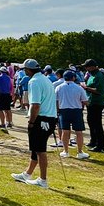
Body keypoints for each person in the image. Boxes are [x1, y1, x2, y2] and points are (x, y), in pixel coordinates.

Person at [12, 59, 56, 188]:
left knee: (40, 150)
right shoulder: (45, 79)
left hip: (42, 118)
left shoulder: (34, 81)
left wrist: (31, 122)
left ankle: (43, 180)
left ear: (28, 70)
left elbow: (35, 105)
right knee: (36, 148)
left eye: (25, 69)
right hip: (49, 118)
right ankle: (28, 173)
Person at [55, 70, 91, 159]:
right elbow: (85, 101)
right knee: (79, 132)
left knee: (65, 131)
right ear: (73, 78)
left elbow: (56, 101)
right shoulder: (79, 88)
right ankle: (79, 152)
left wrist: (57, 110)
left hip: (64, 110)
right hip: (76, 111)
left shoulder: (59, 87)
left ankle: (66, 151)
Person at [82, 59, 104, 152]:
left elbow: (99, 91)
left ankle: (100, 145)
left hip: (97, 103)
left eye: (87, 66)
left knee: (97, 124)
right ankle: (93, 141)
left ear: (92, 66)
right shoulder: (91, 75)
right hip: (91, 102)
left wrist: (86, 88)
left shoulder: (99, 75)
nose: (86, 68)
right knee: (91, 122)